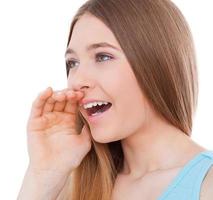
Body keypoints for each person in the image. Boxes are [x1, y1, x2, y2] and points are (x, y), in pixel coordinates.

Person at [17, 0, 213, 199]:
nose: (77, 80)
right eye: (72, 63)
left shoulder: (207, 184)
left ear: (156, 63)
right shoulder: (70, 188)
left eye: (102, 57)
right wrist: (41, 176)